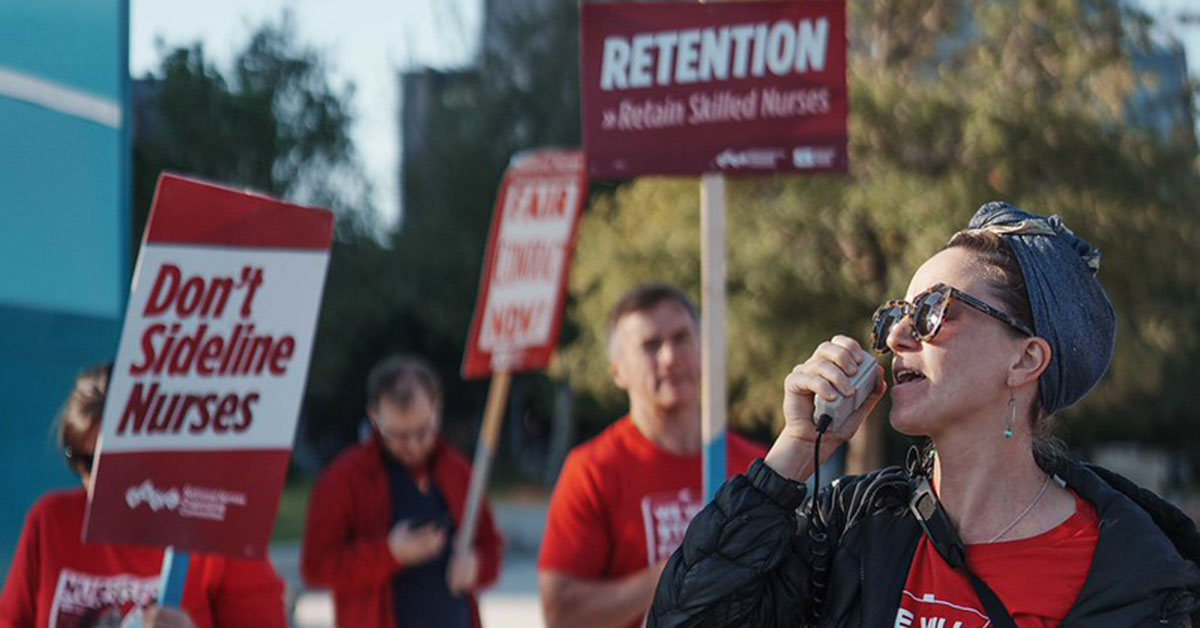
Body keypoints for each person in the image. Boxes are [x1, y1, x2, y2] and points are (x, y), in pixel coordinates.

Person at [649, 202, 1200, 627]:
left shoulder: (1133, 576)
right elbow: (684, 617)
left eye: (934, 311)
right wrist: (793, 452)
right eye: (896, 314)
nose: (895, 336)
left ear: (1025, 358)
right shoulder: (853, 526)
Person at [538, 283, 768, 628]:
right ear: (618, 370)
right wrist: (674, 573)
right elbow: (561, 613)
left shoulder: (757, 468)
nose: (670, 357)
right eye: (650, 345)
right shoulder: (593, 470)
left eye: (681, 339)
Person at [0, 363, 287, 628]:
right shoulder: (51, 521)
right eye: (85, 462)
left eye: (116, 464)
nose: (100, 482)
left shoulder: (214, 532)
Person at [301, 355, 503, 628]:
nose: (413, 445)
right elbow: (315, 566)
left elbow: (491, 548)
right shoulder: (345, 479)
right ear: (374, 417)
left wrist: (476, 566)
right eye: (398, 435)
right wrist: (389, 553)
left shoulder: (458, 472)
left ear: (437, 409)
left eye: (423, 431)